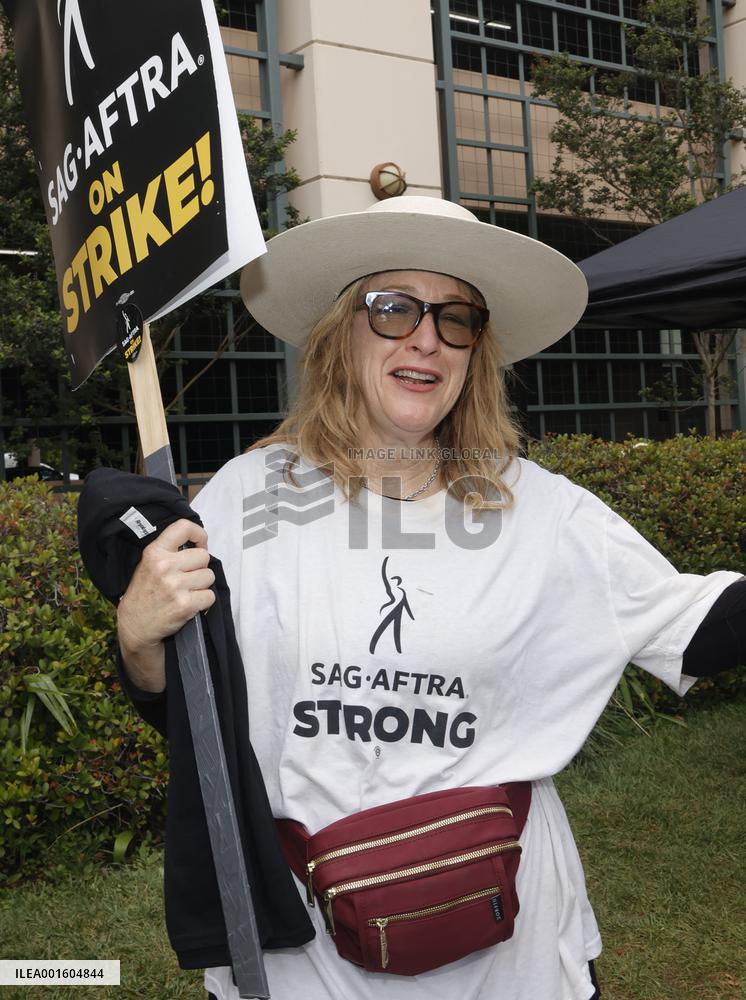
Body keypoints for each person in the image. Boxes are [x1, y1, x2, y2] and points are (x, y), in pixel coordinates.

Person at [115, 197, 744, 1000]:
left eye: (456, 318)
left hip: (507, 947)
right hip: (307, 953)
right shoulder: (249, 496)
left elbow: (698, 629)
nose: (426, 338)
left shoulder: (540, 510)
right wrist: (138, 638)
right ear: (341, 333)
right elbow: (191, 707)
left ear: (475, 353)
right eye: (393, 308)